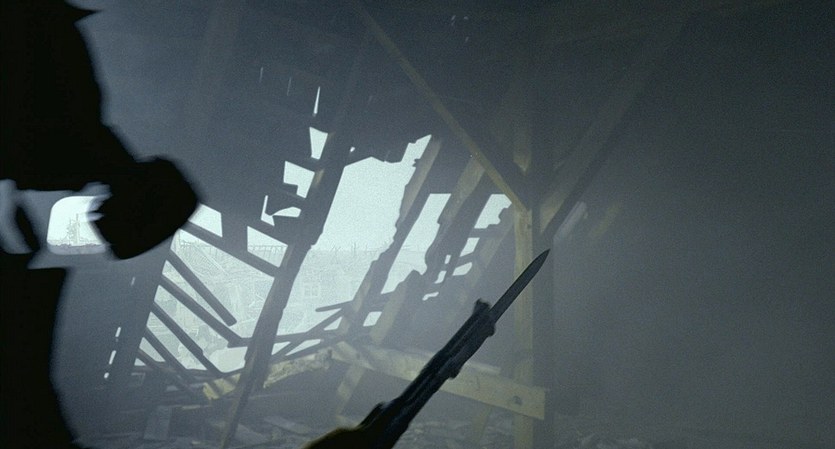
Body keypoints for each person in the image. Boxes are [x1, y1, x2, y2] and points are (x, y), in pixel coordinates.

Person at [1, 2, 198, 447]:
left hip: (30, 226)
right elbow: (76, 126)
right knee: (22, 380)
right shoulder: (42, 32)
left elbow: (78, 127)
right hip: (28, 224)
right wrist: (129, 180)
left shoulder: (42, 31)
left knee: (23, 377)